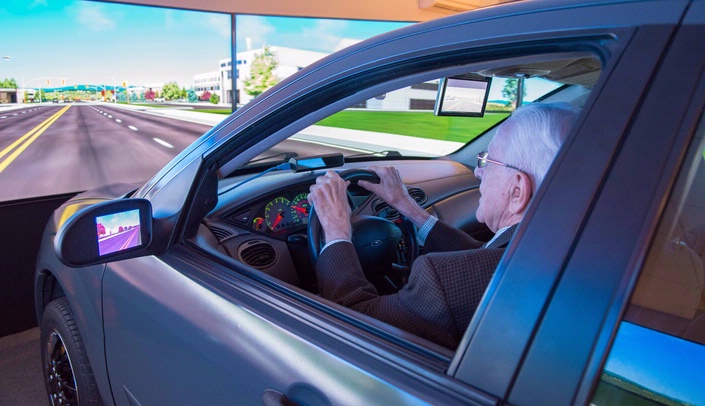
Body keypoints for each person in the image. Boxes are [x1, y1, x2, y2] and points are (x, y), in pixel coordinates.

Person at [307, 102, 580, 349]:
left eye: (488, 161)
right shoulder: (564, 250)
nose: (477, 171)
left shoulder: (446, 283)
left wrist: (336, 231)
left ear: (518, 190)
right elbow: (487, 257)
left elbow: (353, 319)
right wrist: (408, 207)